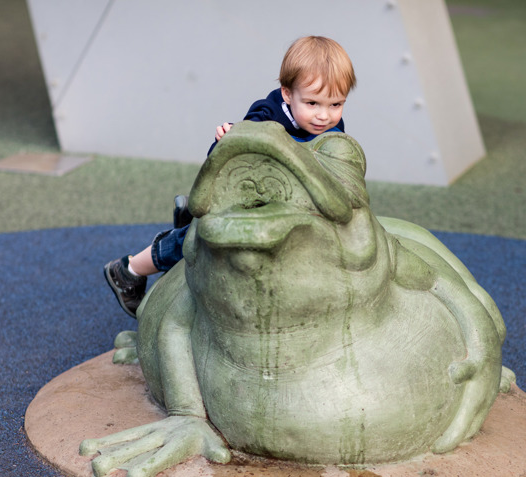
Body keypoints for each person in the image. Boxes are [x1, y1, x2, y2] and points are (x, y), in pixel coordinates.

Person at [104, 35, 357, 317]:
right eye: (312, 103)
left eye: (335, 105)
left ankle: (186, 214)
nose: (324, 115)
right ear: (287, 94)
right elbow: (228, 155)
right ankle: (129, 269)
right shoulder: (267, 117)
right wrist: (227, 137)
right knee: (195, 239)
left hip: (285, 199)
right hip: (250, 196)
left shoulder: (330, 128)